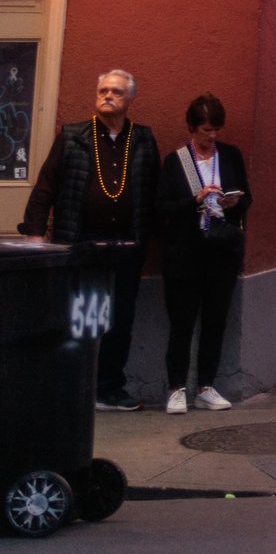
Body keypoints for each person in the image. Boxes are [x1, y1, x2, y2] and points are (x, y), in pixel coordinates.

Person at [21, 69, 159, 410]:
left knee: (120, 319)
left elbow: (154, 192)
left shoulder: (142, 139)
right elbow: (46, 187)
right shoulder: (73, 136)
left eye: (115, 91)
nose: (107, 96)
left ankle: (110, 389)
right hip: (82, 244)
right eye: (102, 90)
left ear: (130, 99)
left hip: (126, 247)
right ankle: (76, 389)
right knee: (81, 318)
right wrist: (36, 235)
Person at [158, 93, 248, 413]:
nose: (212, 136)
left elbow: (248, 197)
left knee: (215, 322)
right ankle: (176, 388)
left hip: (221, 252)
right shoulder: (176, 161)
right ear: (192, 128)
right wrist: (195, 199)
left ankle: (206, 386)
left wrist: (233, 201)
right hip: (185, 254)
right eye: (206, 130)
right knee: (182, 323)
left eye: (216, 130)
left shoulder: (231, 156)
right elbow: (162, 208)